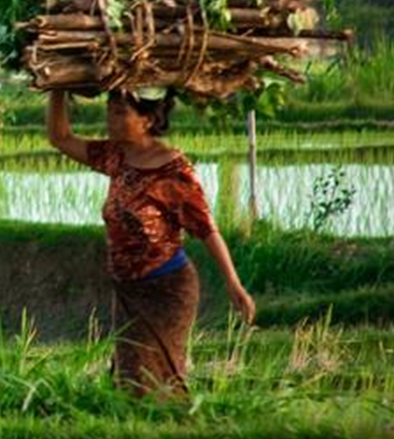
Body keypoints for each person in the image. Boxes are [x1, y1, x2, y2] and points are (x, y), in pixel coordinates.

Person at [47, 88, 254, 396]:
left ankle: (175, 432)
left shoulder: (172, 168)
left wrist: (233, 283)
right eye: (109, 110)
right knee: (130, 380)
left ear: (148, 120)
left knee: (154, 381)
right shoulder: (116, 156)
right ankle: (149, 432)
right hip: (128, 291)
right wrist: (58, 89)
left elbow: (206, 229)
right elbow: (61, 138)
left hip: (166, 290)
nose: (110, 119)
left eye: (120, 112)